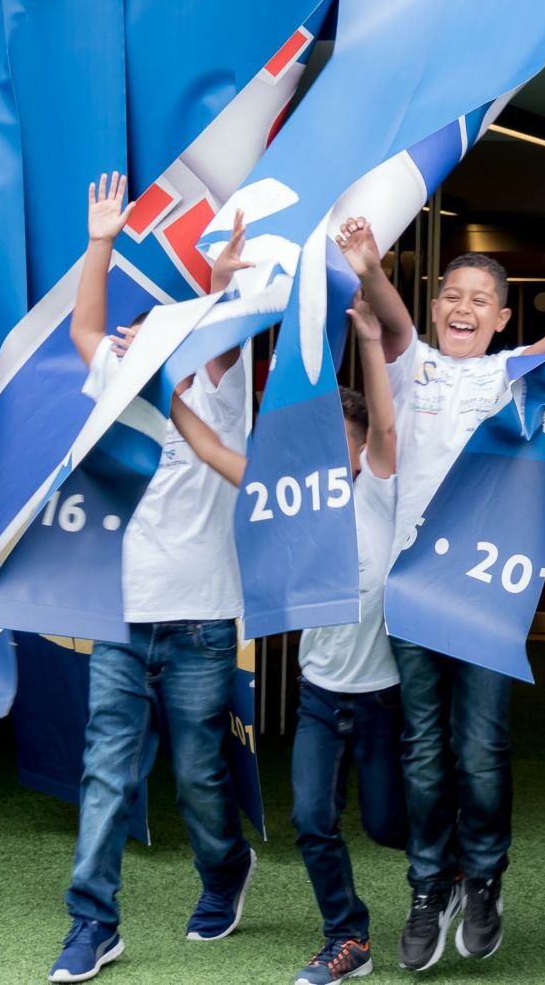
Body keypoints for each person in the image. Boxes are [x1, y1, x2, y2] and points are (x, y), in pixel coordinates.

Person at [337, 216, 545, 971]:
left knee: (482, 749)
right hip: (413, 590)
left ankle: (485, 875)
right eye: (451, 296)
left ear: (500, 319)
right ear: (436, 307)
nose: (464, 308)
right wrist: (369, 267)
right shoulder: (411, 364)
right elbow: (388, 322)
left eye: (480, 301)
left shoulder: (508, 373)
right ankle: (432, 885)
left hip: (488, 593)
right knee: (425, 754)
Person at [51, 175, 255, 983]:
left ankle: (224, 870)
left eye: (157, 331)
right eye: (136, 333)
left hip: (203, 620)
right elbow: (88, 326)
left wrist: (223, 281)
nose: (134, 339)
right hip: (120, 620)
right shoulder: (115, 381)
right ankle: (92, 922)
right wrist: (101, 241)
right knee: (106, 771)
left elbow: (232, 331)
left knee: (200, 776)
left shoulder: (218, 381)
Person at [169, 293, 406, 984]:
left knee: (391, 825)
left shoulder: (380, 488)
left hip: (384, 699)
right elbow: (211, 446)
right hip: (319, 697)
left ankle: (456, 870)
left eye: (346, 441)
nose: (334, 453)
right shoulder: (290, 490)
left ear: (363, 451)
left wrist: (366, 337)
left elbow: (386, 425)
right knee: (310, 818)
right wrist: (160, 387)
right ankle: (347, 938)